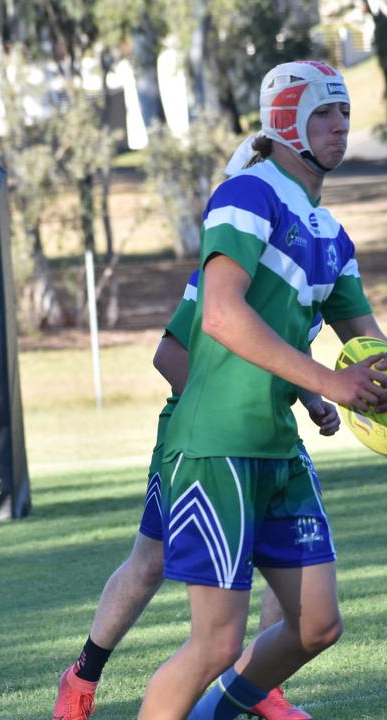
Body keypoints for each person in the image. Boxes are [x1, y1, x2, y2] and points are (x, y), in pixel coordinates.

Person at [138, 60, 387, 720]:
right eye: (324, 114)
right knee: (215, 642)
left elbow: (371, 345)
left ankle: (213, 715)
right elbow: (219, 314)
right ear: (284, 122)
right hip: (217, 446)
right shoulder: (248, 195)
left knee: (316, 626)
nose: (340, 126)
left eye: (344, 114)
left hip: (278, 451)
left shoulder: (331, 233)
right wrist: (329, 383)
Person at [52, 271, 334, 720]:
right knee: (151, 562)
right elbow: (169, 356)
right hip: (199, 441)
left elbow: (290, 349)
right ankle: (81, 678)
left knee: (293, 555)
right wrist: (224, 423)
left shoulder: (316, 256)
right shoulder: (237, 248)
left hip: (271, 438)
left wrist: (312, 398)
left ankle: (261, 685)